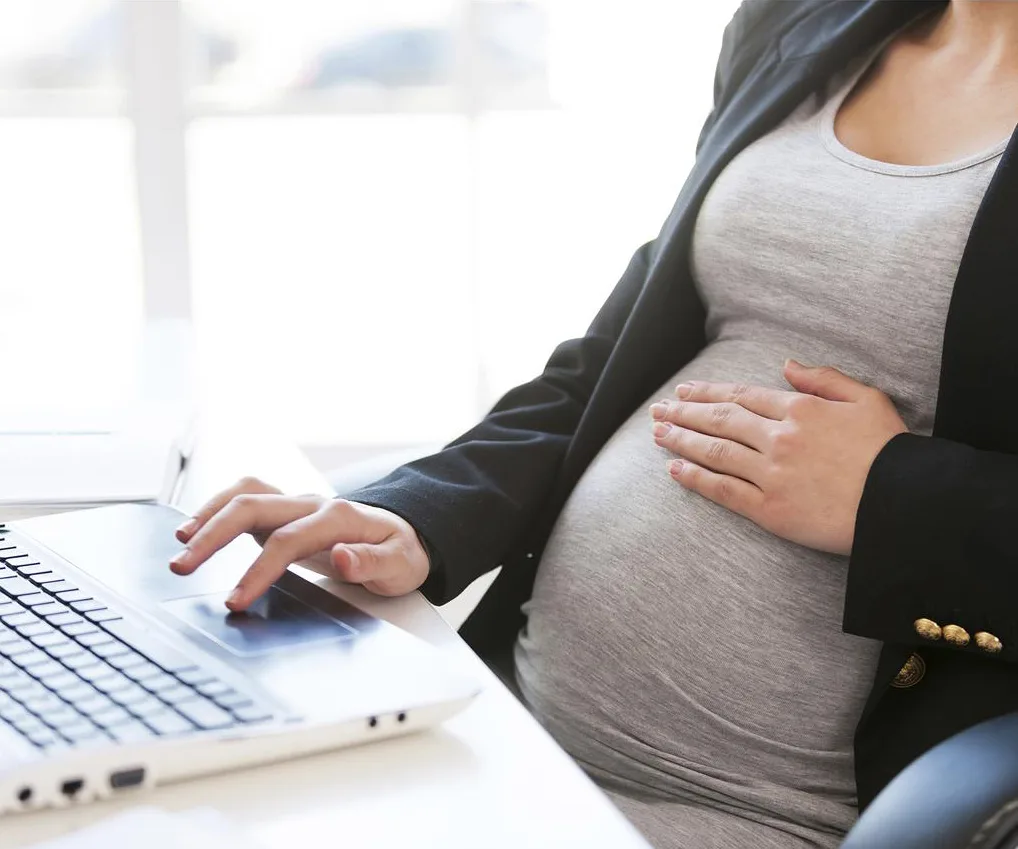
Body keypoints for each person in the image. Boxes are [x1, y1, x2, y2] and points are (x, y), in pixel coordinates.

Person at [165, 1, 1018, 846]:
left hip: (753, 813)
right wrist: (416, 513)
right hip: (500, 734)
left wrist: (891, 497)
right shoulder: (804, 21)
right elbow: (614, 363)